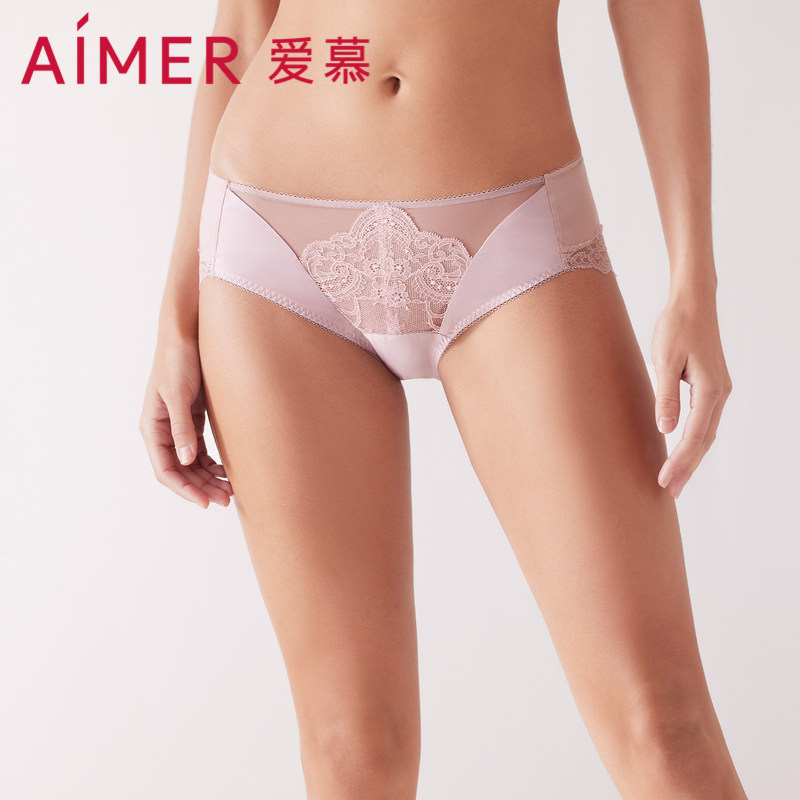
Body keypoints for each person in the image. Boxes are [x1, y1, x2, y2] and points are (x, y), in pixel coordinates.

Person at [140, 1, 747, 797]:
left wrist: (694, 279)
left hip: (513, 226)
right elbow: (246, 22)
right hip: (269, 236)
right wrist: (177, 313)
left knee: (660, 721)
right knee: (353, 749)